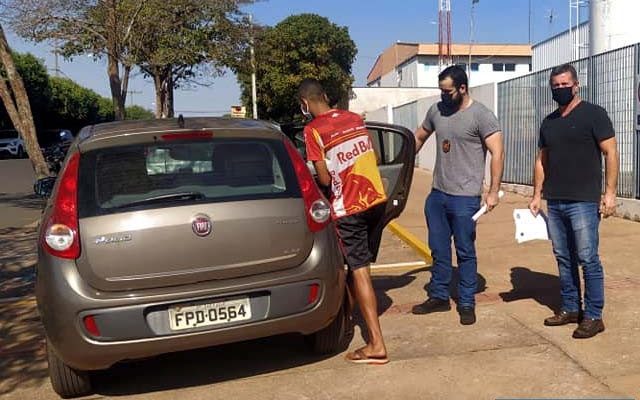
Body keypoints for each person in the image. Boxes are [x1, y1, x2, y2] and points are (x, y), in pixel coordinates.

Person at [298, 78, 389, 364]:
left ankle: (376, 344)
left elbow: (324, 178)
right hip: (375, 201)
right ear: (325, 95)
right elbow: (370, 154)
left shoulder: (313, 130)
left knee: (358, 269)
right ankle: (349, 318)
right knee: (359, 266)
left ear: (304, 104)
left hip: (348, 207)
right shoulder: (354, 118)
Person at [529, 63, 618, 339]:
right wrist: (536, 195)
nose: (560, 89)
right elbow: (541, 160)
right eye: (555, 86)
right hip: (555, 201)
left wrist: (610, 192)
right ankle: (569, 307)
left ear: (576, 85)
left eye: (565, 85)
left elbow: (611, 153)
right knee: (563, 257)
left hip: (583, 201)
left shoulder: (594, 114)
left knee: (587, 258)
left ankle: (593, 315)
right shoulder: (549, 122)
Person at [412, 65, 504, 325]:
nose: (443, 97)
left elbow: (498, 152)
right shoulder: (437, 111)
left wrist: (493, 191)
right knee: (439, 250)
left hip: (465, 198)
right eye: (440, 91)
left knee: (464, 251)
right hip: (438, 194)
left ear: (462, 88)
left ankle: (466, 301)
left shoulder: (481, 115)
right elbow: (418, 137)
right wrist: (400, 163)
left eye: (447, 91)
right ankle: (439, 296)